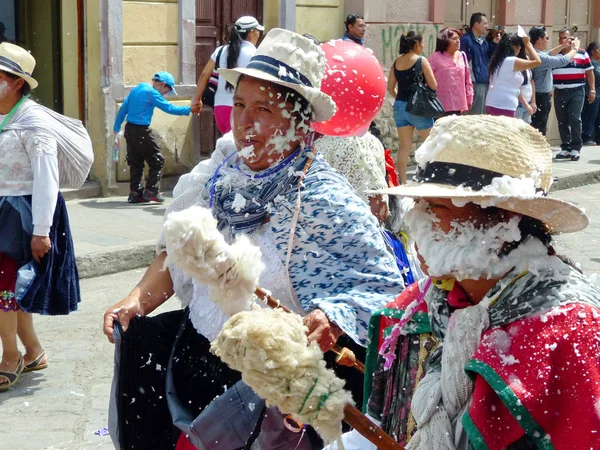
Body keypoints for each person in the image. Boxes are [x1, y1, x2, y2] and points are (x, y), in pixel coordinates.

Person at [103, 29, 404, 450]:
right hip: (196, 362)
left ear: (299, 123)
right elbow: (176, 252)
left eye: (264, 108)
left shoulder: (321, 197)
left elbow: (385, 288)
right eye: (240, 104)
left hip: (271, 392)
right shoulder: (217, 176)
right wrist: (136, 300)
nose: (245, 120)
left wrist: (331, 316)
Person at [336, 114, 600, 449]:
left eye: (438, 206)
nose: (415, 220)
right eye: (418, 203)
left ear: (504, 220)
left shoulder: (570, 336)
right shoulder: (416, 310)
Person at [0, 43, 91, 391]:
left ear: (17, 83)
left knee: (6, 285)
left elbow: (46, 178)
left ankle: (11, 355)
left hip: (25, 214)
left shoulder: (34, 121)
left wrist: (41, 230)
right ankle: (33, 351)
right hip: (2, 210)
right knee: (13, 287)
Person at [113, 71, 191, 203]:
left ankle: (135, 193)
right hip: (141, 131)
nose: (164, 94)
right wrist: (190, 110)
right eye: (166, 91)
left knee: (136, 161)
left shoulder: (137, 88)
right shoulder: (152, 93)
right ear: (162, 84)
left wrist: (116, 127)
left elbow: (123, 109)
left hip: (129, 130)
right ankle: (152, 191)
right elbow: (169, 108)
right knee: (157, 160)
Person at [191, 16, 263, 134]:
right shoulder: (255, 54)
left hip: (220, 108)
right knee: (242, 149)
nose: (259, 35)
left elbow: (205, 74)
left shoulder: (220, 51)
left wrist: (197, 100)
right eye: (258, 31)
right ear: (251, 32)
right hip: (241, 110)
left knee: (230, 147)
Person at [387, 31, 437, 184]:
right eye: (422, 44)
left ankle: (402, 182)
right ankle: (428, 179)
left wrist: (401, 100)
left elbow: (390, 87)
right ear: (416, 44)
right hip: (418, 108)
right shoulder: (421, 61)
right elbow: (434, 85)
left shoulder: (396, 62)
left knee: (404, 146)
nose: (422, 47)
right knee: (431, 143)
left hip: (400, 107)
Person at [553, 28, 595, 161]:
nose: (562, 40)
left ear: (572, 39)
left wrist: (592, 90)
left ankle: (576, 148)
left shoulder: (582, 53)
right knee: (562, 119)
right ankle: (566, 148)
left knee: (575, 118)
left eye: (565, 38)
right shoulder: (555, 54)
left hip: (577, 90)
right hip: (560, 91)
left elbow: (589, 72)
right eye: (560, 38)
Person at [528, 26, 579, 136]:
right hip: (539, 97)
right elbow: (562, 60)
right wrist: (575, 49)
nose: (548, 40)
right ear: (539, 39)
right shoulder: (538, 56)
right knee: (539, 130)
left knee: (539, 127)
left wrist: (563, 46)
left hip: (541, 96)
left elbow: (548, 54)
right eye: (546, 38)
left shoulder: (536, 53)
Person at [486, 33, 541, 117]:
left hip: (494, 103)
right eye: (519, 47)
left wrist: (526, 105)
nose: (520, 50)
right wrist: (528, 44)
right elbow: (537, 62)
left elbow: (514, 88)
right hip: (504, 105)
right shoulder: (511, 61)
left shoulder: (500, 60)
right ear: (514, 47)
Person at [460, 13, 500, 114]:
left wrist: (495, 43)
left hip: (485, 81)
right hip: (474, 83)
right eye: (485, 23)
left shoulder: (483, 41)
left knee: (483, 115)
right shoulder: (466, 40)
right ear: (476, 24)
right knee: (474, 116)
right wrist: (468, 84)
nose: (487, 26)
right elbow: (463, 64)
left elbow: (490, 58)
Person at [428, 28, 473, 115]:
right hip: (440, 106)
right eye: (454, 39)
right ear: (445, 41)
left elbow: (468, 80)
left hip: (459, 106)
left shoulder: (462, 55)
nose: (458, 41)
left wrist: (469, 98)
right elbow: (427, 79)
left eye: (458, 38)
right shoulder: (435, 58)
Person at [581, 41, 600, 145]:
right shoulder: (590, 62)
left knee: (597, 117)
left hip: (598, 94)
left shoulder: (598, 63)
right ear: (593, 51)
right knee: (590, 116)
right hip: (590, 93)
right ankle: (587, 137)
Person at [515, 45, 537, 123]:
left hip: (528, 102)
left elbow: (532, 81)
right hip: (519, 104)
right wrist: (526, 105)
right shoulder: (516, 62)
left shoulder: (527, 59)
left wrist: (533, 101)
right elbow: (515, 87)